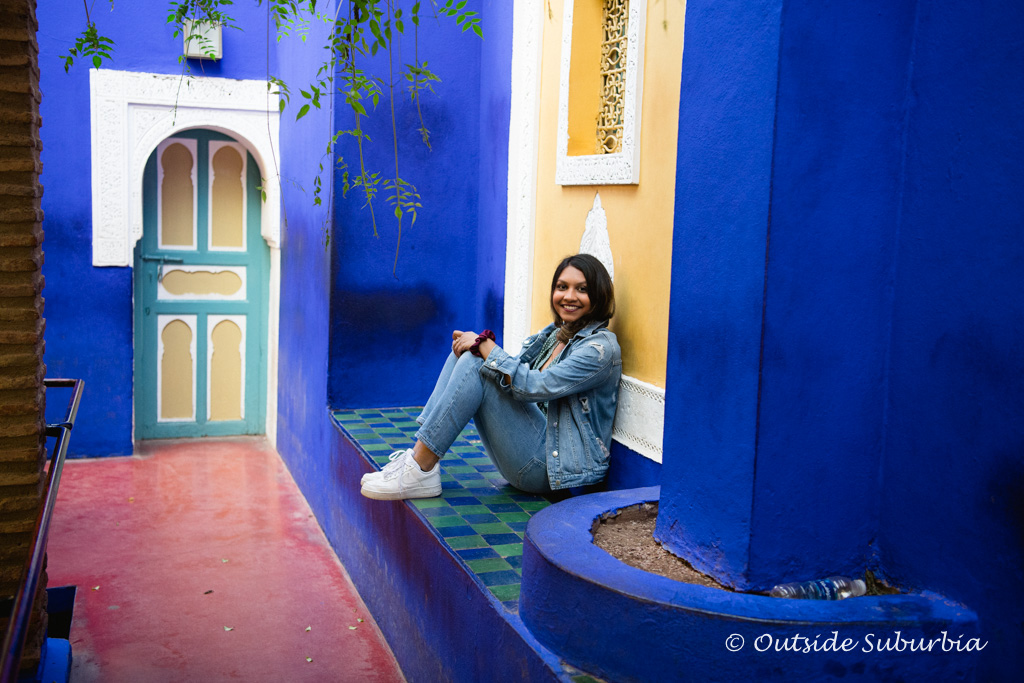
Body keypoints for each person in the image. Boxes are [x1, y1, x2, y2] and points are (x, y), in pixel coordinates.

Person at [360, 254, 621, 500]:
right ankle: (419, 458)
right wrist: (480, 349)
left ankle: (421, 468)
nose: (568, 296)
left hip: (550, 471)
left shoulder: (599, 349)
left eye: (582, 289)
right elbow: (513, 376)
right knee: (469, 355)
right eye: (562, 287)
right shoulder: (557, 334)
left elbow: (534, 386)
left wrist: (485, 346)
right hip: (529, 452)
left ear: (598, 296)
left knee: (477, 358)